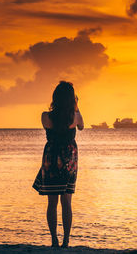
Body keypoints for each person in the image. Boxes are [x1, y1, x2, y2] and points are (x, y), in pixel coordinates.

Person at [32, 81, 84, 248]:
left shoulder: (45, 116)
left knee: (52, 202)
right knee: (67, 202)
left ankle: (54, 239)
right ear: (71, 99)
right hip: (69, 159)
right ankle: (66, 241)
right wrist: (76, 106)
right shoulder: (75, 116)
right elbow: (81, 126)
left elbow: (52, 127)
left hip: (51, 158)